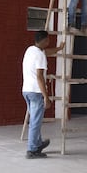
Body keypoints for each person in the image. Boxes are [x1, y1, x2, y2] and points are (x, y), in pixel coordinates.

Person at [22, 30, 64, 159]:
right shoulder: (40, 56)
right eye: (48, 40)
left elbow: (47, 52)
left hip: (27, 90)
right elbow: (39, 76)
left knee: (34, 119)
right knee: (35, 122)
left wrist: (59, 48)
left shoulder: (30, 50)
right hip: (36, 91)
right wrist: (46, 97)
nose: (49, 41)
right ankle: (32, 150)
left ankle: (37, 144)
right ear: (45, 40)